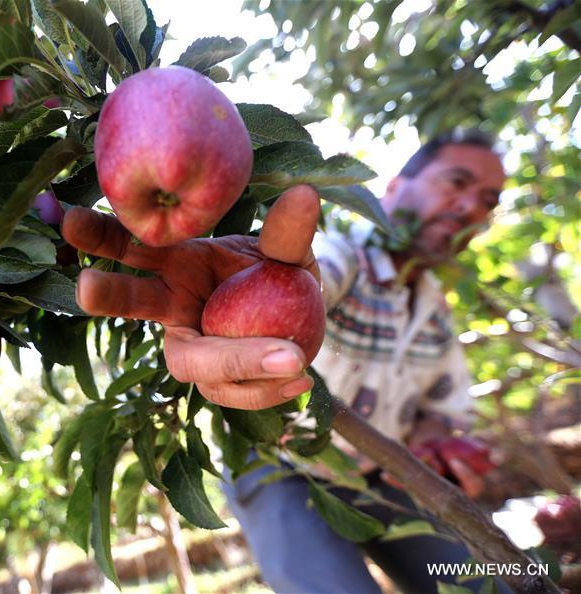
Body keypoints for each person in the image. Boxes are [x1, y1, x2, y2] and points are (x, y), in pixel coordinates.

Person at [61, 131, 508, 593]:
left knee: (491, 582)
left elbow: (442, 407)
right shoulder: (344, 254)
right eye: (456, 182)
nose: (470, 207)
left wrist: (436, 445)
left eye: (487, 202)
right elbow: (315, 279)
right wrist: (265, 287)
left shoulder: (434, 313)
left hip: (382, 476)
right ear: (394, 187)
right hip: (280, 467)